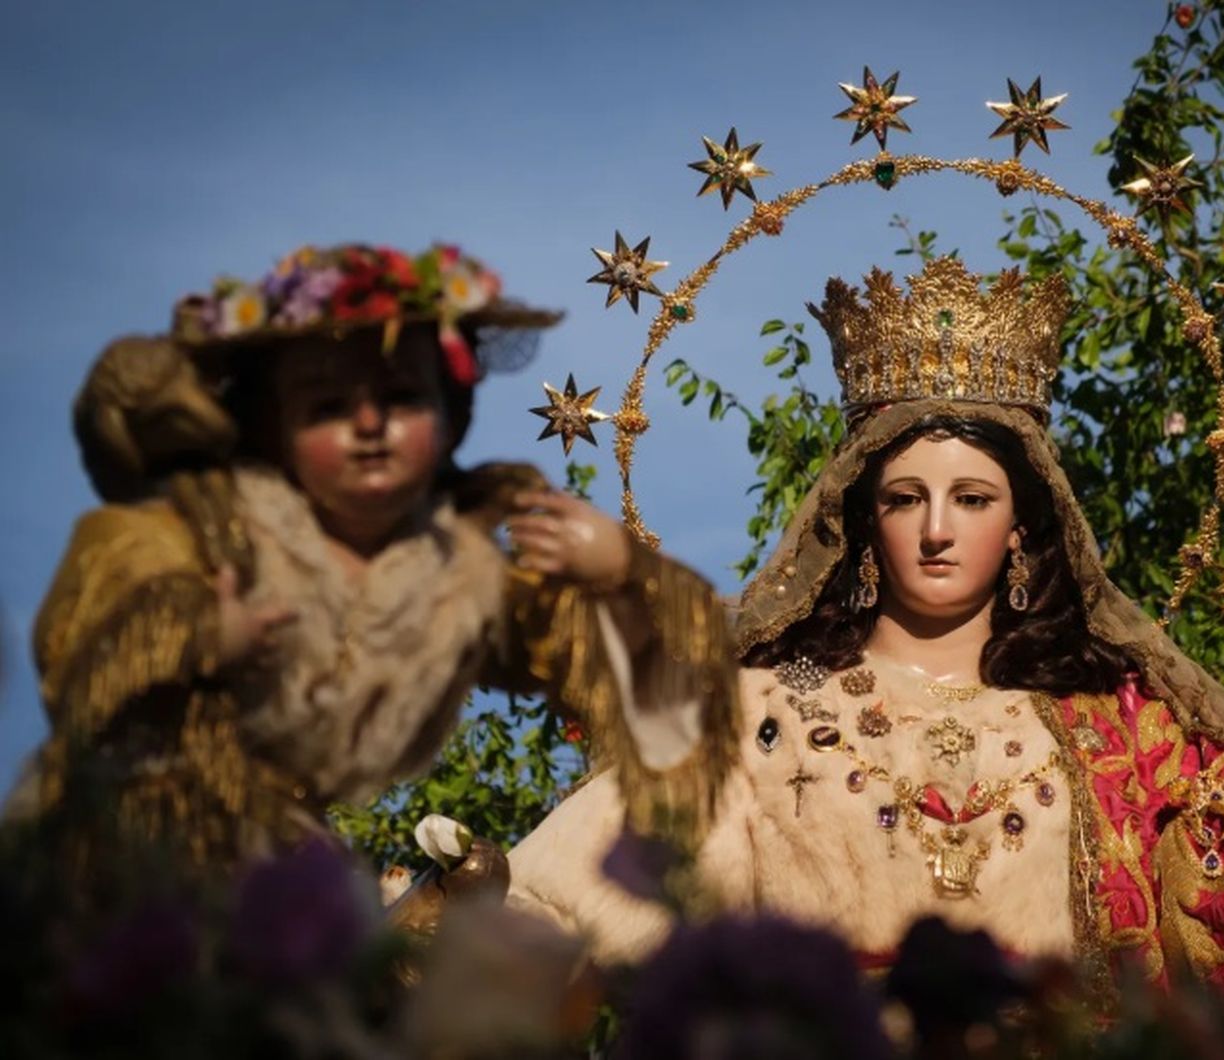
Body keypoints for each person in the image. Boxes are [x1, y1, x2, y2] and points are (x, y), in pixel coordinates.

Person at [505, 258, 1224, 995]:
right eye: (904, 498)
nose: (936, 529)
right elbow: (558, 905)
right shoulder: (752, 716)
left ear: (1023, 526)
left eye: (971, 498)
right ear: (861, 523)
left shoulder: (1119, 731)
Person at [15, 243, 735, 884]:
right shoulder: (196, 534)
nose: (368, 425)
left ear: (448, 415)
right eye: (328, 405)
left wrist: (623, 576)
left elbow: (661, 702)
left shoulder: (460, 568)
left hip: (286, 890)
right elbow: (83, 669)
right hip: (116, 867)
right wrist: (191, 634)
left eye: (401, 398)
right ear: (273, 426)